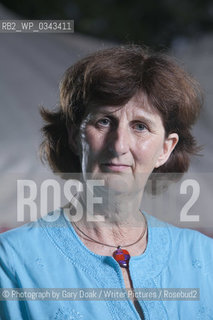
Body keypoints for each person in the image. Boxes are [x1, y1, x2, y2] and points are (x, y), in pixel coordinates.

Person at [0, 45, 213, 320]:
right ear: (76, 137)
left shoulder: (205, 257)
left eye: (140, 126)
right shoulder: (11, 261)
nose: (119, 145)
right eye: (103, 121)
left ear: (165, 149)